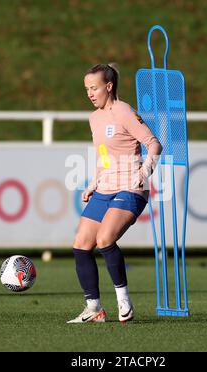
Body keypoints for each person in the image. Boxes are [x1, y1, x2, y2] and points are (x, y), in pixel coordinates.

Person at [67, 63, 163, 323]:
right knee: (81, 244)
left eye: (94, 87)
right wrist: (93, 183)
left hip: (130, 187)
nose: (89, 93)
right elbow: (104, 158)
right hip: (105, 188)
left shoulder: (123, 111)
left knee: (105, 238)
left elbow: (154, 143)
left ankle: (124, 302)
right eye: (87, 88)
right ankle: (94, 309)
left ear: (108, 87)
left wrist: (144, 172)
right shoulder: (94, 118)